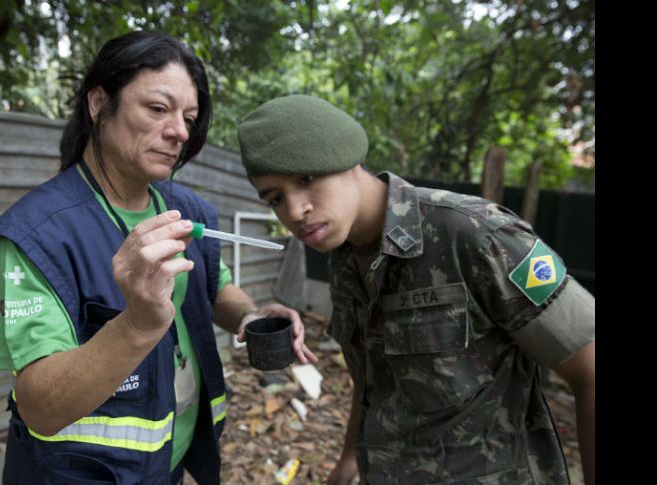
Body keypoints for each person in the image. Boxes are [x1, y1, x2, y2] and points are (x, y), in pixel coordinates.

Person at [0, 31, 317, 485]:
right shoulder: (35, 236)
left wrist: (250, 316)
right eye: (157, 109)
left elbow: (214, 288)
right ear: (99, 103)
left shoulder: (186, 212)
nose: (179, 131)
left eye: (188, 117)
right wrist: (136, 324)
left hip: (165, 462)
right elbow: (40, 406)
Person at [237, 94, 595, 485]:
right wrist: (350, 460)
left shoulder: (474, 234)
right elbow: (375, 378)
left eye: (306, 179)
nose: (294, 211)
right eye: (276, 198)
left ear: (349, 158)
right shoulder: (343, 257)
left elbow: (590, 368)